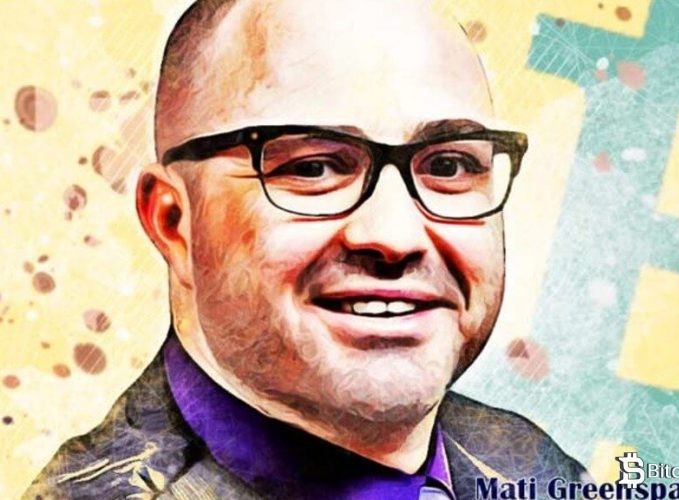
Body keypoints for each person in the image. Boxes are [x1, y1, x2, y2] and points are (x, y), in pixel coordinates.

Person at [26, 0, 586, 498]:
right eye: (313, 168)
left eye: (449, 165)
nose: (395, 237)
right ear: (174, 222)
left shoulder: (535, 468)